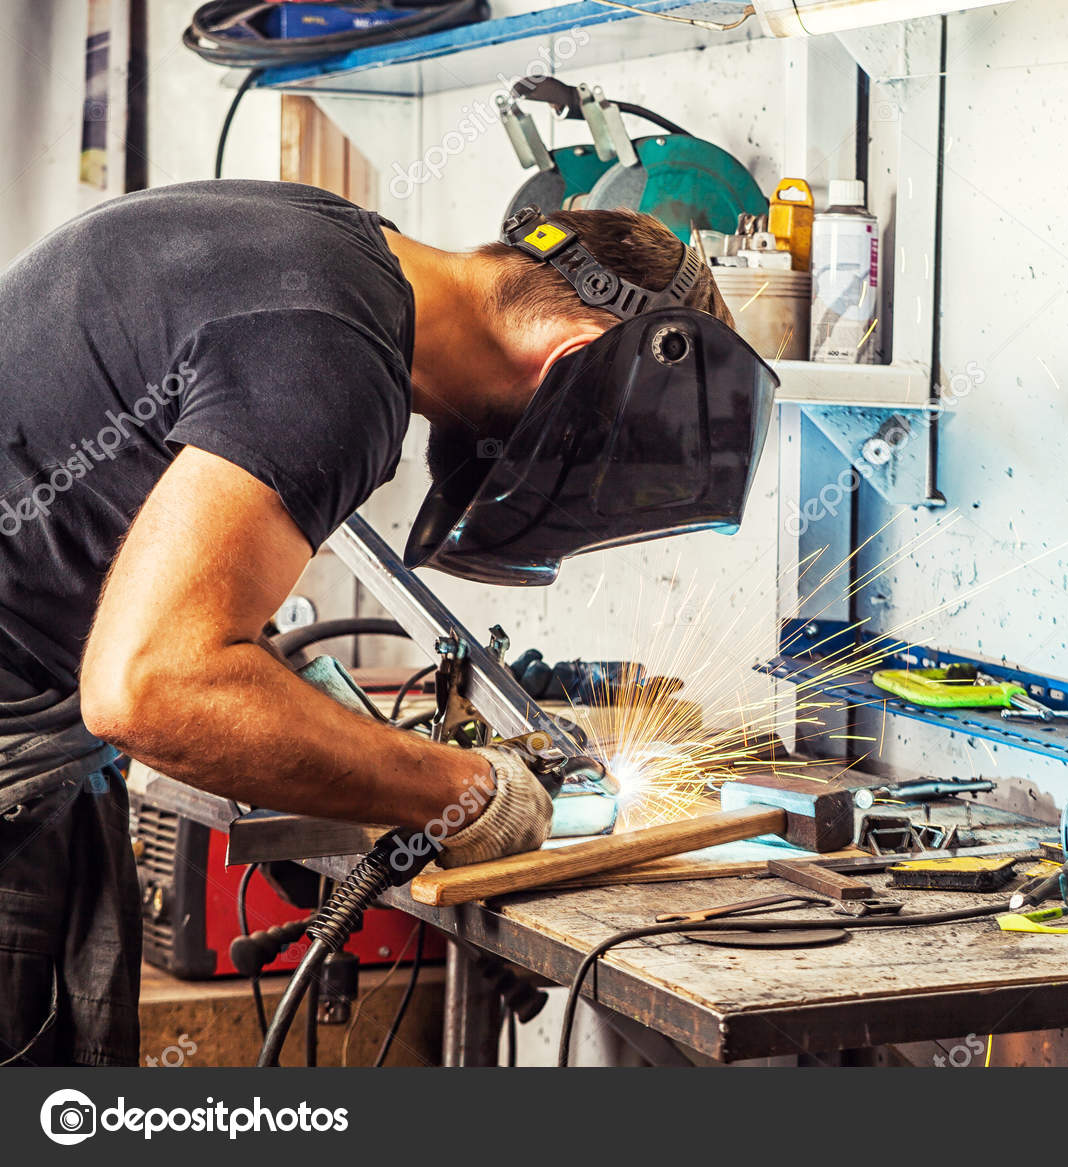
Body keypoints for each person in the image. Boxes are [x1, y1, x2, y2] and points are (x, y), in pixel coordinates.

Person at [0, 179, 736, 1066]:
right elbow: (150, 686)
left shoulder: (330, 248)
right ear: (570, 360)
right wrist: (464, 790)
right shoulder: (335, 358)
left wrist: (324, 739)